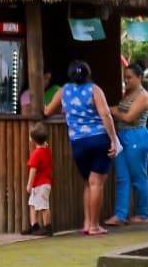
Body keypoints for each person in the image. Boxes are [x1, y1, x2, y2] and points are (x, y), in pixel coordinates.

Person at [45, 60, 119, 235]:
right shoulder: (94, 90)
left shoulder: (64, 91)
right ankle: (94, 226)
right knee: (96, 184)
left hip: (78, 142)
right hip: (99, 139)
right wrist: (113, 139)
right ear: (88, 73)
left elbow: (47, 111)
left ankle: (87, 223)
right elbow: (105, 114)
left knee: (88, 183)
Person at [106, 60, 148, 225]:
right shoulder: (127, 93)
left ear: (140, 77)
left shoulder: (143, 96)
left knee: (138, 176)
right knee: (122, 177)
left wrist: (112, 110)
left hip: (136, 136)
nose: (126, 80)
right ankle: (120, 214)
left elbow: (129, 117)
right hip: (122, 136)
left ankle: (142, 213)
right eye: (125, 77)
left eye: (130, 77)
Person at [23, 123, 52, 235]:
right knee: (33, 204)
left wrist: (29, 184)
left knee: (43, 206)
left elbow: (33, 170)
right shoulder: (46, 149)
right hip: (41, 184)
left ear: (33, 139)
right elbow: (45, 144)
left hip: (41, 184)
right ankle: (34, 225)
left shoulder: (36, 153)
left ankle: (47, 227)